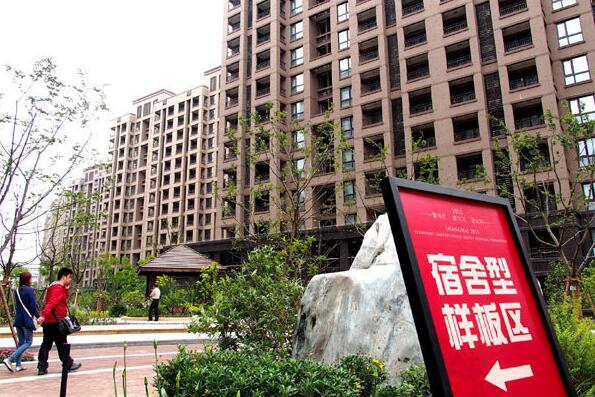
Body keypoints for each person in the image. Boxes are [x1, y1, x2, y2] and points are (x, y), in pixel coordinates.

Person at [36, 267, 82, 376]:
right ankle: (68, 364)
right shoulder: (58, 288)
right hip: (56, 322)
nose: (70, 280)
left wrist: (65, 289)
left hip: (50, 322)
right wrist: (43, 315)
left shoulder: (54, 286)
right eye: (69, 277)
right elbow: (51, 303)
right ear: (64, 276)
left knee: (47, 344)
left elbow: (60, 300)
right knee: (62, 344)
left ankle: (42, 367)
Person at [2, 272, 39, 373]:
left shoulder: (16, 290)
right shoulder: (29, 290)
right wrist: (38, 316)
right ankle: (9, 359)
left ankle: (18, 365)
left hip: (18, 320)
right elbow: (33, 306)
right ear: (28, 279)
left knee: (21, 342)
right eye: (31, 278)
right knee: (28, 342)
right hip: (27, 321)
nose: (31, 280)